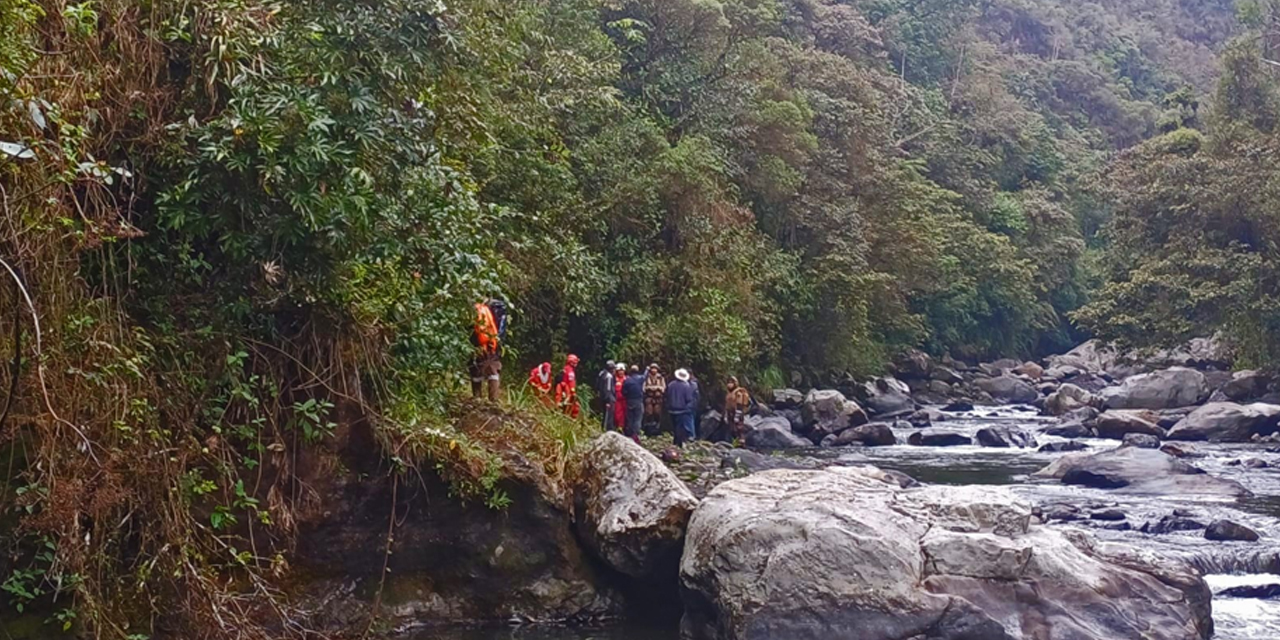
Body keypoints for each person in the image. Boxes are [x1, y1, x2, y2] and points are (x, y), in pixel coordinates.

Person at [469, 299, 506, 401]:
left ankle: (477, 398)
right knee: (493, 371)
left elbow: (479, 330)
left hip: (480, 345)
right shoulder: (499, 309)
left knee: (476, 370)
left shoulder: (479, 310)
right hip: (493, 345)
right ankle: (493, 399)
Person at [666, 368, 698, 446]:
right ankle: (679, 442)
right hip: (681, 410)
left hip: (671, 409)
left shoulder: (671, 384)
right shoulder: (686, 386)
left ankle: (675, 441)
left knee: (674, 426)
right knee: (680, 427)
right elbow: (689, 398)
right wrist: (687, 407)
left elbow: (667, 396)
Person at [723, 376, 752, 442]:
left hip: (737, 413)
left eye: (731, 383)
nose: (729, 384)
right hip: (730, 412)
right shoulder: (729, 393)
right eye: (728, 383)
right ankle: (734, 442)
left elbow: (740, 405)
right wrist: (725, 414)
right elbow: (727, 404)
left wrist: (737, 415)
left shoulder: (739, 392)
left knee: (739, 428)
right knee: (732, 429)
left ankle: (741, 442)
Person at [622, 364, 645, 443]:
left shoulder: (627, 380)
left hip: (629, 401)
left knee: (630, 419)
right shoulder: (640, 379)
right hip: (638, 400)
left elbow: (623, 392)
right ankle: (636, 435)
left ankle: (630, 434)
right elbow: (645, 375)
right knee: (638, 419)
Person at [642, 363, 666, 435]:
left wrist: (657, 388)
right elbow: (644, 388)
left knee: (657, 413)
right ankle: (648, 428)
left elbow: (663, 388)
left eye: (655, 369)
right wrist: (651, 388)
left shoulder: (661, 378)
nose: (654, 370)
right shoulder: (646, 377)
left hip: (658, 399)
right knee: (649, 413)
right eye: (652, 368)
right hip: (649, 398)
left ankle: (657, 428)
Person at [597, 360, 616, 431]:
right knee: (609, 416)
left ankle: (604, 428)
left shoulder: (601, 373)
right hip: (608, 398)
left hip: (602, 397)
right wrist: (608, 400)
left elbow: (598, 386)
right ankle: (608, 430)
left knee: (605, 415)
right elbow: (608, 389)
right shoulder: (609, 376)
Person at [613, 363, 627, 434]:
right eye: (619, 370)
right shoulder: (614, 379)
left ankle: (624, 428)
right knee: (617, 414)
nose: (621, 372)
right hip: (617, 400)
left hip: (625, 400)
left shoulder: (626, 379)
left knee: (625, 414)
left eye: (622, 370)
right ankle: (618, 427)